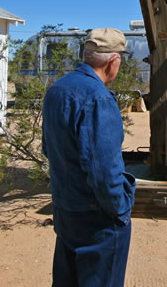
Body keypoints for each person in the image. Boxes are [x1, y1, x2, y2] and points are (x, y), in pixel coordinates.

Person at [42, 28, 136, 287]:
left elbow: (48, 149)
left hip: (65, 210)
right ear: (113, 61)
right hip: (97, 221)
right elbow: (104, 172)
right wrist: (120, 210)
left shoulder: (57, 90)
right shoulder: (98, 99)